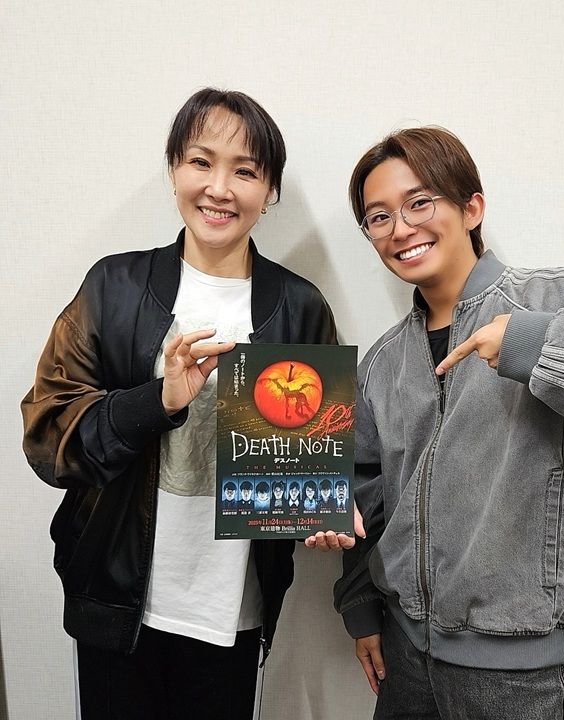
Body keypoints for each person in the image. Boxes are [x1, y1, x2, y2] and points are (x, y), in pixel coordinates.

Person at [326, 127, 564, 719]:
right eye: (378, 217)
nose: (400, 228)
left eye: (419, 203)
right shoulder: (382, 363)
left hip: (523, 679)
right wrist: (360, 606)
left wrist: (534, 343)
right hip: (404, 657)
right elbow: (367, 495)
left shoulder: (560, 300)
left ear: (472, 208)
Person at [21, 87, 337, 720]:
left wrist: (322, 506)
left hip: (232, 614)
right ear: (173, 170)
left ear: (268, 191)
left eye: (245, 171)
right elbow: (49, 440)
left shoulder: (298, 307)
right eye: (201, 162)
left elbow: (305, 471)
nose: (219, 188)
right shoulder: (113, 285)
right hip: (118, 603)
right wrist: (158, 400)